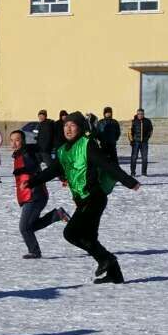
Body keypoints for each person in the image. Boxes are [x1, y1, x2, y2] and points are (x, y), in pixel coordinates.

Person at [31, 112, 140, 284]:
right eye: (66, 125)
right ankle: (115, 274)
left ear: (80, 128)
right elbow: (52, 171)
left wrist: (129, 181)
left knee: (71, 233)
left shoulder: (87, 145)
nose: (68, 129)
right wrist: (33, 181)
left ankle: (107, 259)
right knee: (89, 238)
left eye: (72, 125)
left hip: (94, 197)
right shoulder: (63, 150)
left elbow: (107, 164)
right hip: (82, 200)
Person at [10, 129, 69, 258]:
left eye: (17, 140)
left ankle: (34, 252)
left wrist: (23, 170)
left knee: (24, 227)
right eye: (12, 140)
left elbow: (34, 167)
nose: (14, 143)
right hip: (28, 195)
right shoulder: (19, 154)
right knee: (29, 226)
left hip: (34, 195)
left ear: (23, 141)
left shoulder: (27, 154)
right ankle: (57, 215)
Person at [129, 108, 153, 177]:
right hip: (136, 142)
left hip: (144, 143)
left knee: (144, 158)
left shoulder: (147, 121)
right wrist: (131, 141)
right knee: (134, 157)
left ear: (143, 114)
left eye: (141, 114)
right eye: (139, 114)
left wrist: (147, 138)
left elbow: (151, 130)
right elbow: (130, 132)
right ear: (137, 114)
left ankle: (144, 172)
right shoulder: (133, 121)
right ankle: (133, 172)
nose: (140, 115)